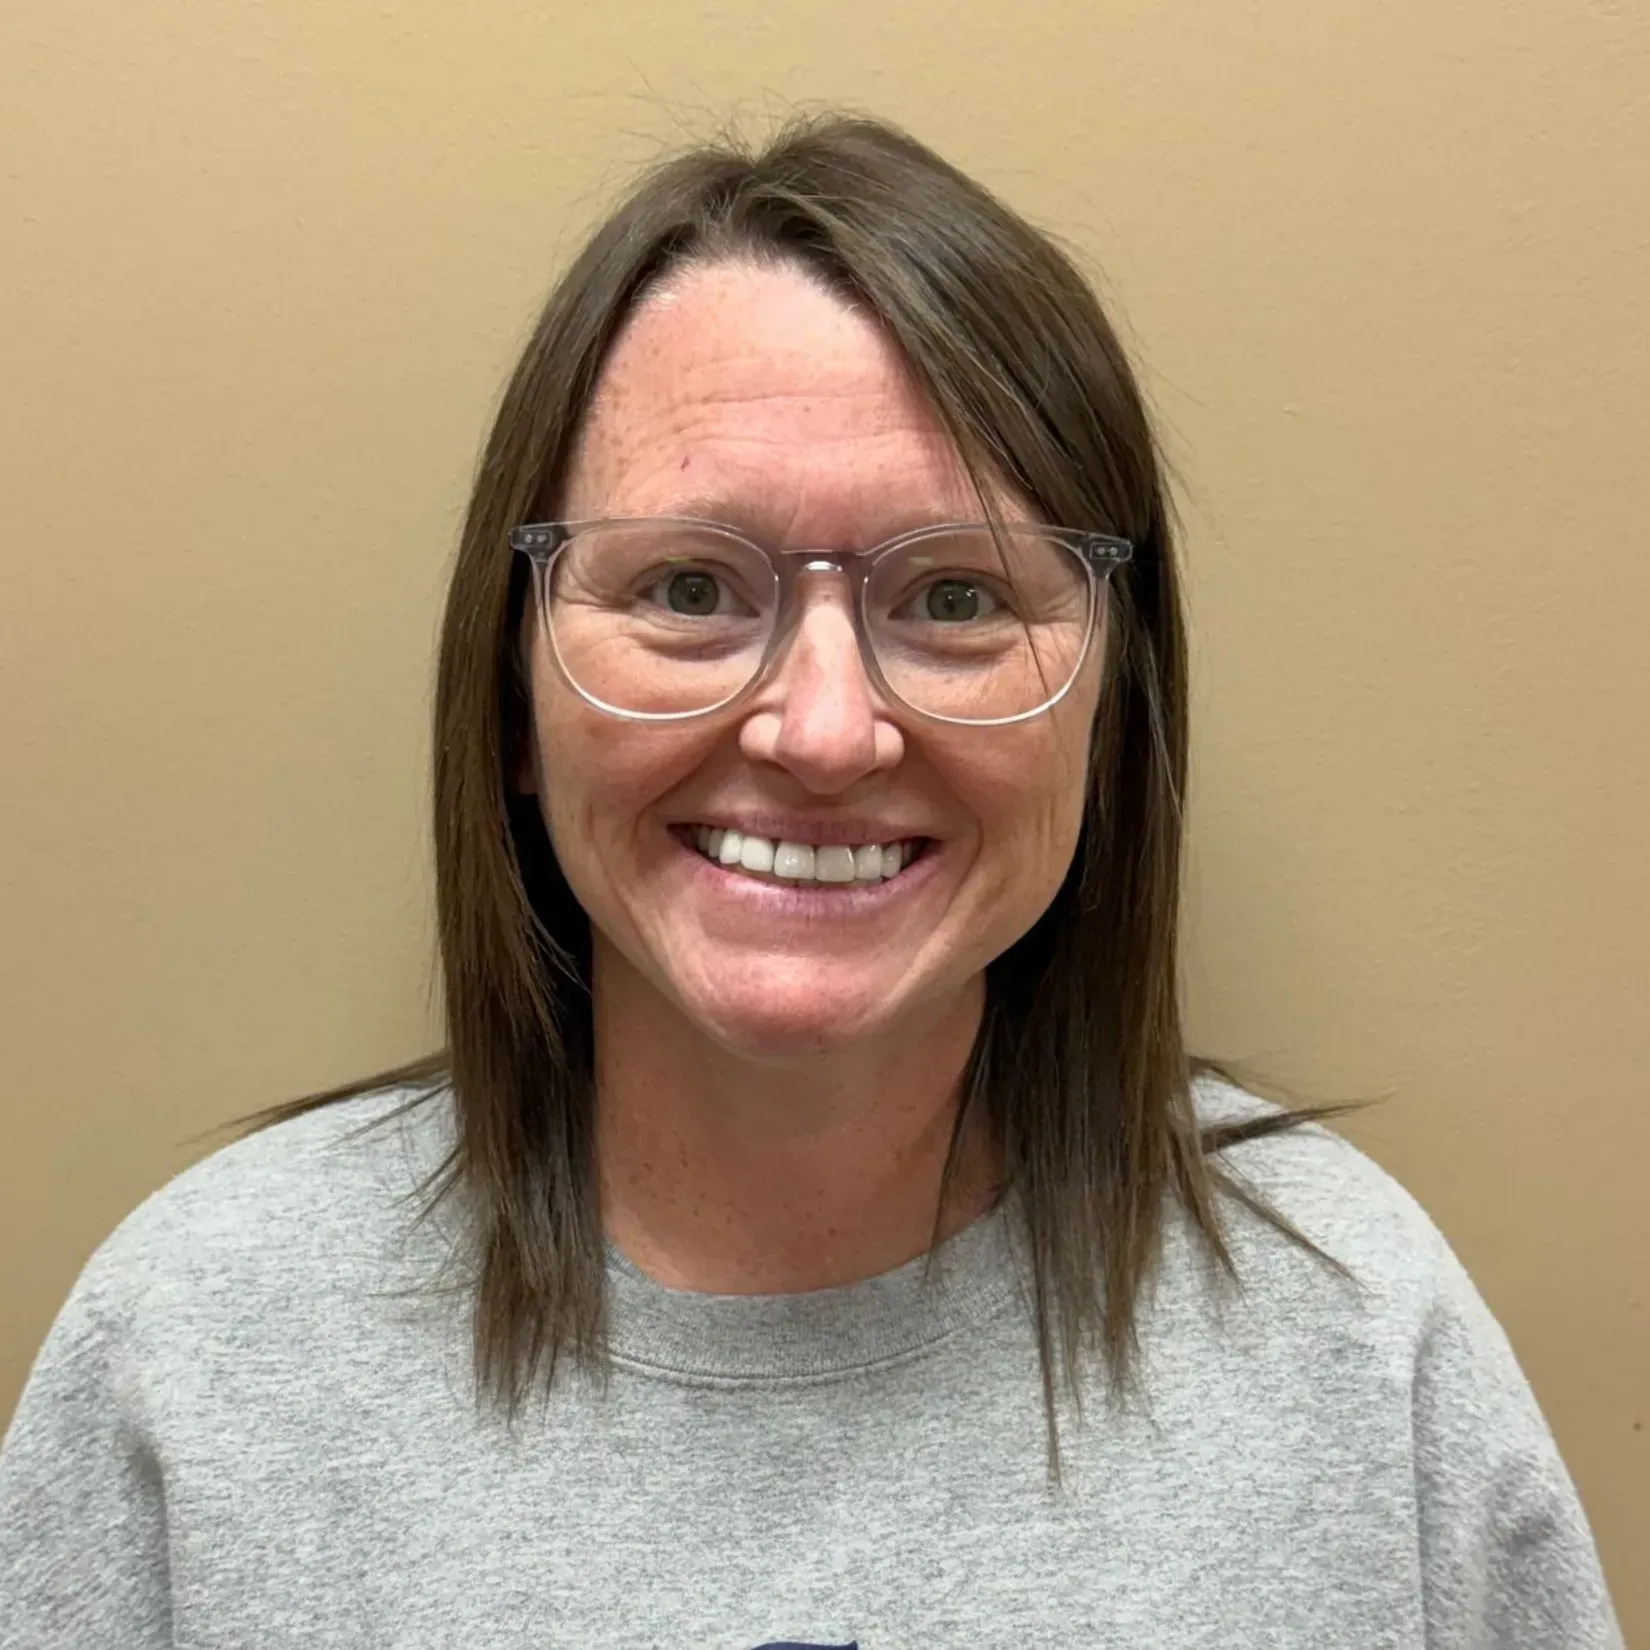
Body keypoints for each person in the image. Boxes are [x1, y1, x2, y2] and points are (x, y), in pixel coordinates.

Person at [0, 113, 1622, 1649]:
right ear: (512, 697)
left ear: (1108, 718)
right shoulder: (205, 1350)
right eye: (690, 585)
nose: (825, 729)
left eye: (958, 597)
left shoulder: (1345, 1332)